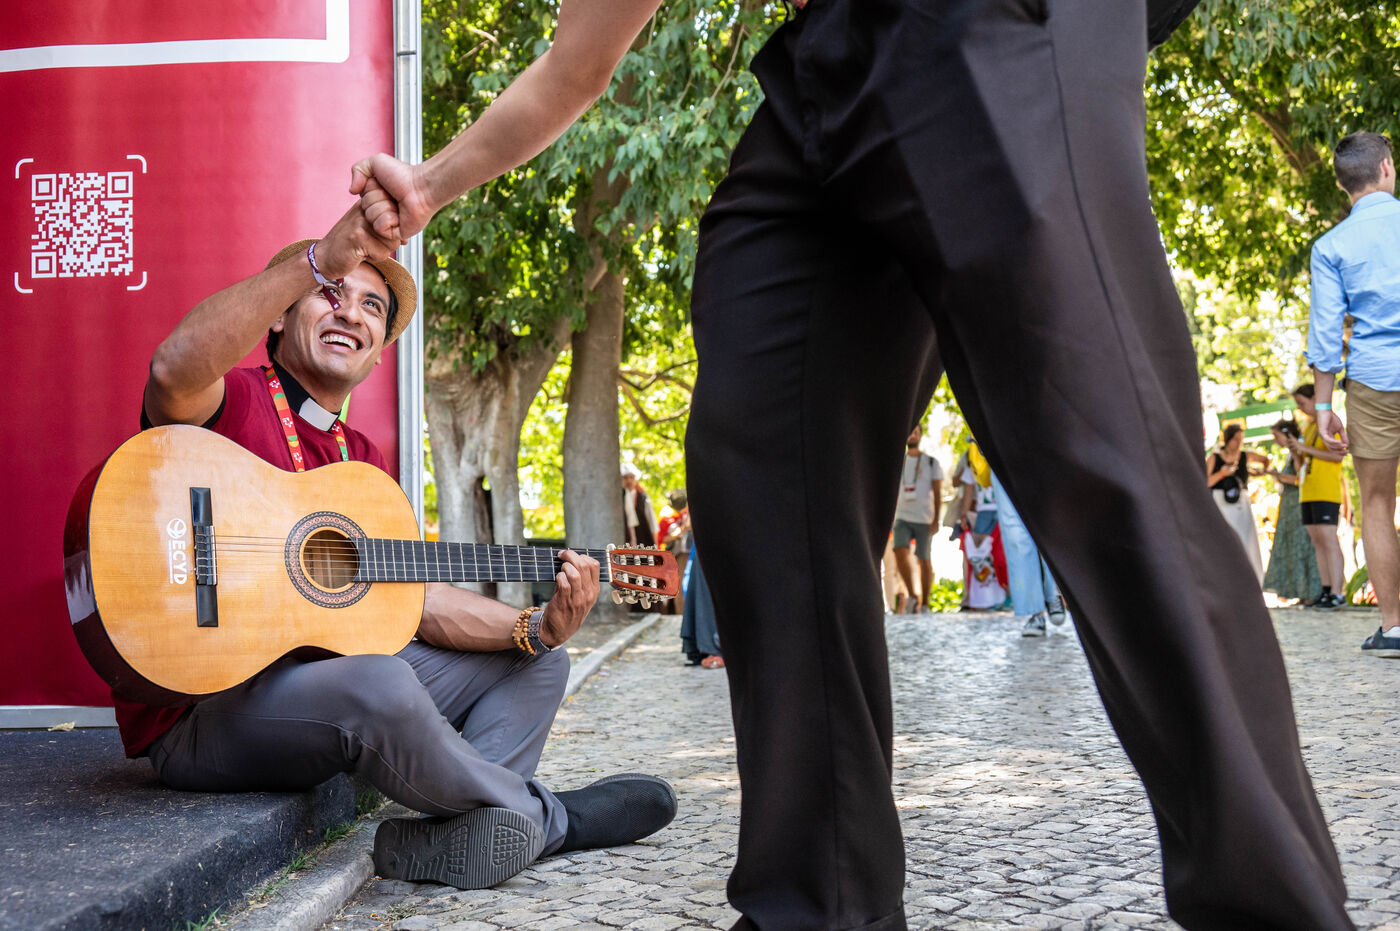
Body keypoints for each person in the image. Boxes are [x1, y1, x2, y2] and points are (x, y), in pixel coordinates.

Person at [347, 0, 1356, 926]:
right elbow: (578, 61)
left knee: (1102, 464)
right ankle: (818, 909)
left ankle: (1273, 911)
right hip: (826, 75)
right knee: (762, 469)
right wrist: (428, 186)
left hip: (992, 28)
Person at [131, 205, 676, 891]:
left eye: (371, 307)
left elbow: (418, 599)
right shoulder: (229, 399)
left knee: (539, 664)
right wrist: (312, 261)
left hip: (318, 686)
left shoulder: (362, 461)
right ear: (278, 316)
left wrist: (537, 625)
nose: (349, 312)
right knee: (380, 680)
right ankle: (550, 818)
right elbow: (170, 369)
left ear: (377, 351)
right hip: (202, 706)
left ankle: (456, 836)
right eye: (328, 292)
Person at [1306, 131, 1400, 655]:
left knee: (1378, 503)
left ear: (1344, 185)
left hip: (1372, 382)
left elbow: (1325, 335)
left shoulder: (1331, 247)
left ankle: (1395, 627)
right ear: (1386, 168)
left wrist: (1323, 407)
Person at [1288, 384, 1349, 609]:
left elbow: (1338, 455)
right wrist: (1296, 451)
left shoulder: (1330, 422)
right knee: (1318, 542)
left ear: (1315, 398)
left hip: (1326, 490)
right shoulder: (1309, 427)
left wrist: (1304, 449)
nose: (1301, 408)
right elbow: (1301, 466)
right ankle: (1326, 589)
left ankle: (1337, 592)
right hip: (1308, 491)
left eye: (1302, 403)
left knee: (1329, 540)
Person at [989, 471, 1069, 637]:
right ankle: (1036, 612)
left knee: (1046, 520)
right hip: (1001, 458)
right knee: (1015, 535)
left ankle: (1053, 591)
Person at [1262, 419, 1324, 605]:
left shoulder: (1299, 451)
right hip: (1289, 506)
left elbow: (1299, 478)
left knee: (1302, 546)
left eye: (1277, 436)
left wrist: (1278, 475)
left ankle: (1310, 591)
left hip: (1298, 506)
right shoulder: (1290, 454)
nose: (1275, 440)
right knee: (1293, 547)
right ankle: (1301, 591)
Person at [1205, 424, 1269, 584]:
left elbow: (1265, 460)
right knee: (1225, 540)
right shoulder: (1215, 457)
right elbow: (1205, 481)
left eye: (1241, 439)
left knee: (1246, 539)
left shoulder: (1245, 456)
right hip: (1221, 502)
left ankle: (1249, 579)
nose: (1239, 443)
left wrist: (1258, 473)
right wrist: (1222, 474)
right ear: (1228, 439)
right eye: (1235, 439)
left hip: (1241, 503)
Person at [890, 424, 944, 613]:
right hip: (901, 516)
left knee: (924, 559)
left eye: (916, 432)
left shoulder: (931, 463)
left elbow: (938, 492)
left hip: (924, 517)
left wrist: (936, 519)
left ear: (920, 436)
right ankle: (913, 596)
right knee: (899, 551)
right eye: (910, 432)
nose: (912, 435)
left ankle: (926, 603)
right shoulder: (898, 461)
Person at [621, 463, 659, 547]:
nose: (629, 481)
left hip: (643, 541)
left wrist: (655, 545)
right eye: (625, 478)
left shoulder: (643, 498)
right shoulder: (619, 498)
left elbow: (652, 523)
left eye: (631, 477)